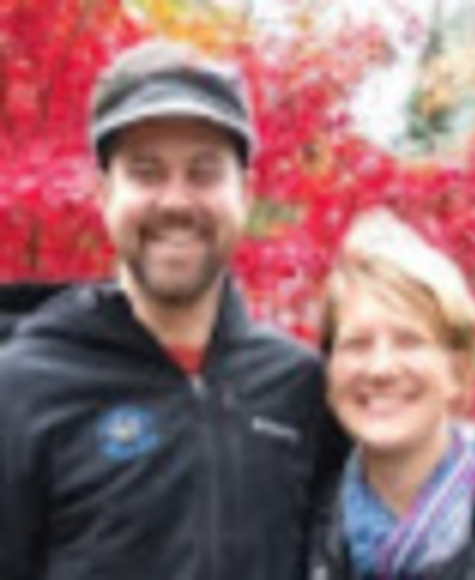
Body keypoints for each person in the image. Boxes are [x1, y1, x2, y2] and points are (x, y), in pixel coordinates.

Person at [0, 39, 344, 580]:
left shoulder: (301, 388)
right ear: (103, 194)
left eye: (204, 172)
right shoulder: (22, 388)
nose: (177, 201)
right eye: (146, 171)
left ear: (246, 193)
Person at [309, 208, 475, 580]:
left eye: (409, 341)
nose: (380, 368)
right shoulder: (299, 535)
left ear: (458, 369)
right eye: (357, 344)